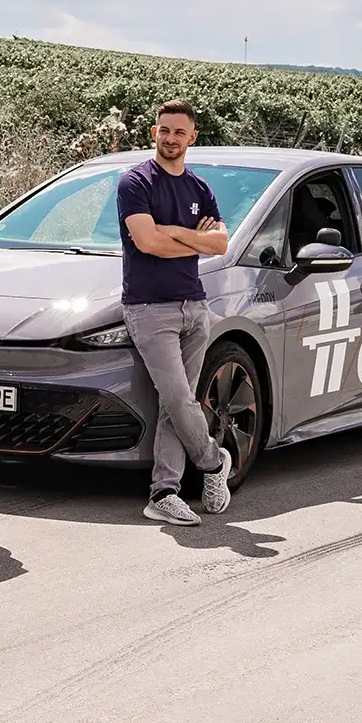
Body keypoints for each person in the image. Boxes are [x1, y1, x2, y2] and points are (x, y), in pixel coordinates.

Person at [117, 100, 234, 526]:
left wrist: (175, 232)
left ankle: (164, 492)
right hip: (149, 310)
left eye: (179, 132)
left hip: (194, 305)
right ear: (154, 133)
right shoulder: (136, 183)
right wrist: (193, 241)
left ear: (192, 137)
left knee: (174, 404)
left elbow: (221, 244)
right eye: (164, 130)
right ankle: (212, 462)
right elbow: (148, 243)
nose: (170, 138)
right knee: (180, 397)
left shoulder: (200, 190)